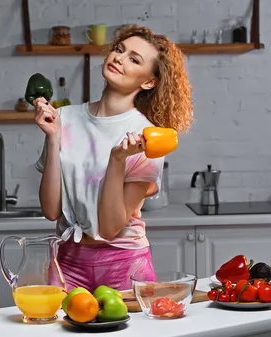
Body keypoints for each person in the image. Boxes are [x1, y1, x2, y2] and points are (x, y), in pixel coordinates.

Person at [33, 24, 193, 292]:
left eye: (134, 59)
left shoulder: (147, 138)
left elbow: (108, 229)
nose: (119, 58)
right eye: (119, 50)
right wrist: (53, 137)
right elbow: (51, 211)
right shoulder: (64, 119)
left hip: (124, 264)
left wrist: (117, 160)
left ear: (148, 82)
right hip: (66, 262)